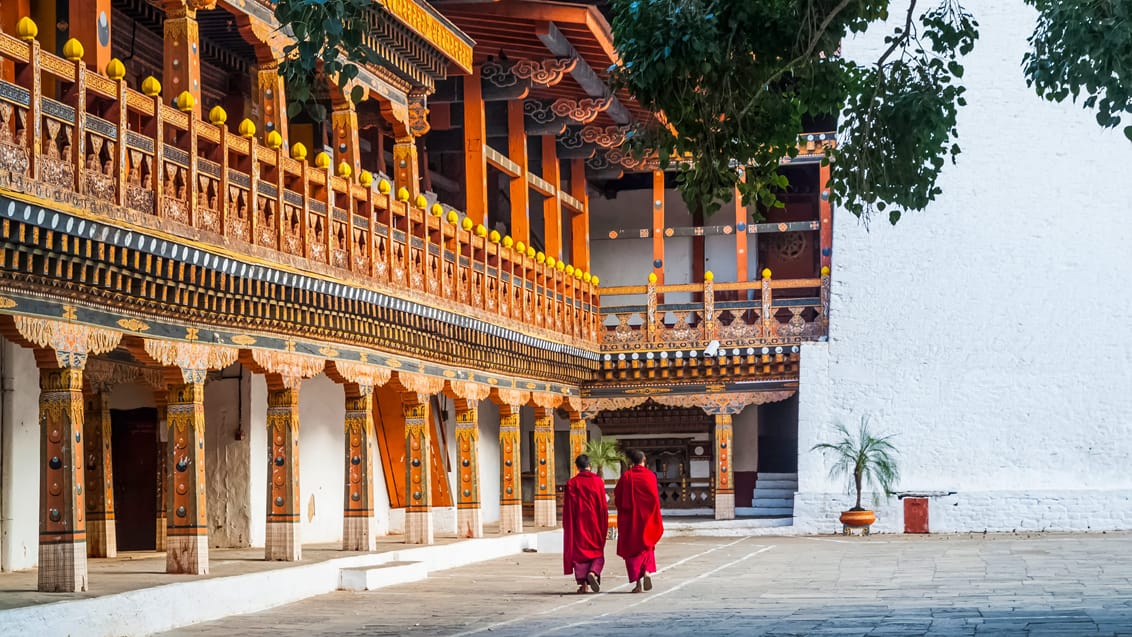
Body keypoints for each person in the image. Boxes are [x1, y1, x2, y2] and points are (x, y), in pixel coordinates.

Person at [614, 448, 664, 593]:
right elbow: (655, 498)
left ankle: (637, 584)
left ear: (631, 461)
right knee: (647, 546)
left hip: (630, 520)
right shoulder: (650, 476)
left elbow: (618, 497)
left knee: (632, 550)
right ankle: (647, 571)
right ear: (644, 461)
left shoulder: (626, 476)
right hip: (647, 518)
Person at [562, 454, 608, 593]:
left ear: (577, 467)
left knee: (580, 555)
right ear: (590, 465)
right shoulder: (598, 481)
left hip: (578, 524)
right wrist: (604, 523)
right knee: (596, 551)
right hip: (595, 523)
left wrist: (568, 525)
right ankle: (593, 572)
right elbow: (602, 506)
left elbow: (568, 508)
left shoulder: (571, 483)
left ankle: (584, 585)